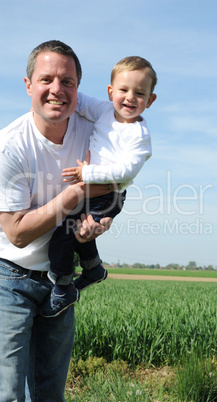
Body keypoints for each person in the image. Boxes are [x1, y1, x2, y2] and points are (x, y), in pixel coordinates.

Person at [0, 40, 113, 401]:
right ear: (28, 85)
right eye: (46, 79)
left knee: (50, 394)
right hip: (8, 279)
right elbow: (16, 234)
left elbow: (119, 176)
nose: (57, 90)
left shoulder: (91, 126)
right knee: (10, 394)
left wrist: (98, 219)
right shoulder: (11, 146)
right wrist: (74, 197)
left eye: (68, 82)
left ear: (79, 89)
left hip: (57, 280)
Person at [41, 56, 157, 318]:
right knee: (79, 228)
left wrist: (87, 172)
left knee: (65, 232)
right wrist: (50, 96)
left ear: (150, 101)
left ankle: (62, 287)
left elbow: (127, 171)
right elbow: (78, 100)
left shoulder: (138, 135)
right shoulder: (105, 110)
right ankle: (93, 269)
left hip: (110, 196)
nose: (130, 98)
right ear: (110, 91)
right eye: (124, 90)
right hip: (92, 189)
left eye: (140, 93)